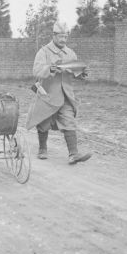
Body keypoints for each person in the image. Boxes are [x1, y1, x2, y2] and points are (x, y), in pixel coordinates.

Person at [26, 22, 92, 165]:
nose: (63, 39)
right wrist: (49, 69)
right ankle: (42, 148)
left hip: (65, 95)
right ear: (54, 36)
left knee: (69, 121)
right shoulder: (43, 52)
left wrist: (82, 73)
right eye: (60, 36)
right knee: (43, 122)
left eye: (65, 36)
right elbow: (36, 70)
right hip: (47, 95)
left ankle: (73, 154)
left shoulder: (70, 53)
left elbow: (75, 72)